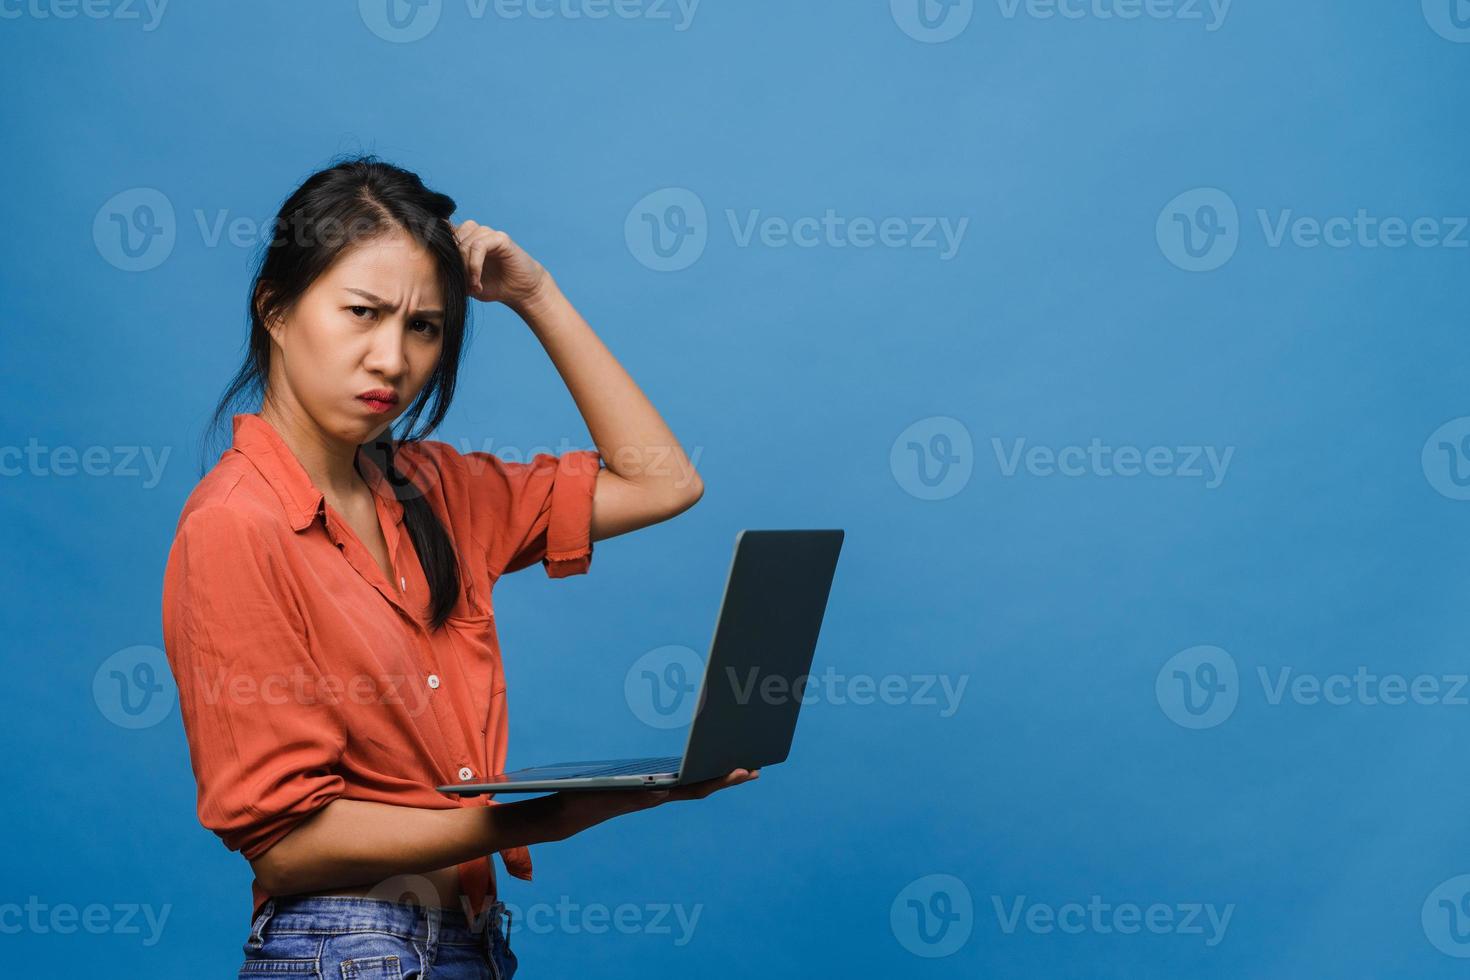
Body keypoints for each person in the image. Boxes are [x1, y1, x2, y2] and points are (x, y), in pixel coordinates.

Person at [159, 155, 758, 979]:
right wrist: (545, 817)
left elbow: (664, 480)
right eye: (361, 313)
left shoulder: (438, 490)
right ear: (276, 310)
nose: (391, 359)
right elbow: (286, 851)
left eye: (424, 327)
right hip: (343, 953)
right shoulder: (236, 526)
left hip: (469, 945)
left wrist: (535, 295)